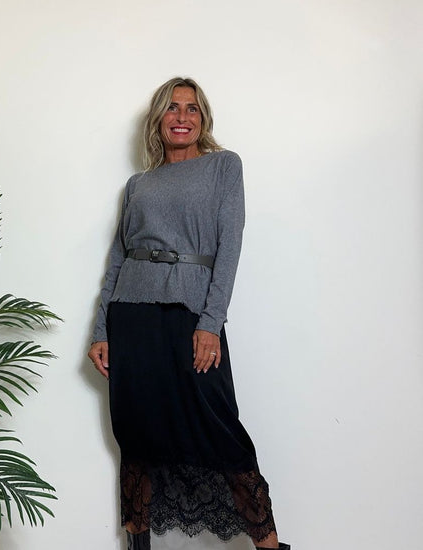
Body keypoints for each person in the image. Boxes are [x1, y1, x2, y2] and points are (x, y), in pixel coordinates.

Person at [88, 77, 290, 550]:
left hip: (190, 316)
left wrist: (210, 324)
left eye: (192, 108)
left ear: (203, 119)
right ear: (158, 119)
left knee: (221, 430)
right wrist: (101, 329)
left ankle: (270, 546)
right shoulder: (137, 184)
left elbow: (229, 248)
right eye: (173, 107)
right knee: (136, 435)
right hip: (131, 318)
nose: (182, 116)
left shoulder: (224, 166)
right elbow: (118, 259)